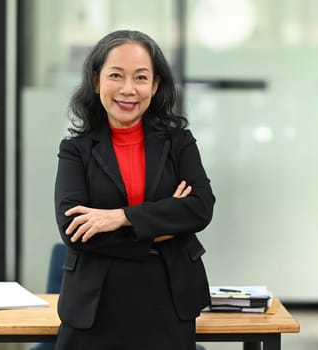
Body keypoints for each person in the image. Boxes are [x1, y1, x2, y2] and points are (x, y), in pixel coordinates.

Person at [53, 29, 216, 350]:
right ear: (96, 80)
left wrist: (120, 217)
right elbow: (73, 230)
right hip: (95, 308)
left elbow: (200, 207)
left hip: (168, 301)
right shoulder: (76, 150)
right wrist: (162, 226)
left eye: (141, 78)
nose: (128, 89)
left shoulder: (178, 142)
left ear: (155, 86)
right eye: (116, 75)